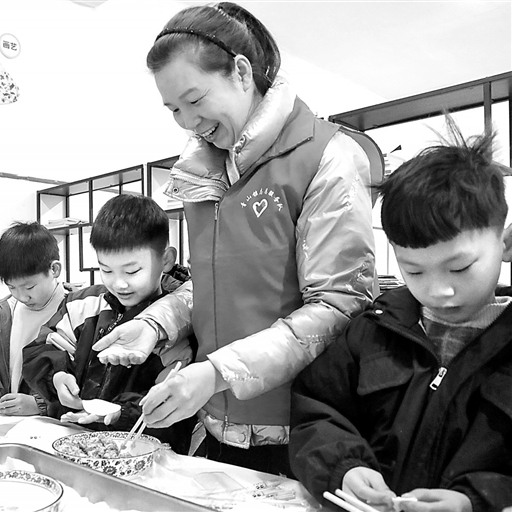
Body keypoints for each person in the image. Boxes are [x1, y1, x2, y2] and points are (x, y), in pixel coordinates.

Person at [92, 1, 378, 476]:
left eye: (195, 100)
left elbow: (338, 305)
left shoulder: (326, 155)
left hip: (303, 431)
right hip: (216, 425)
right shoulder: (202, 172)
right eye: (173, 109)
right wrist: (156, 323)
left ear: (242, 72)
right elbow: (211, 284)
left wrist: (218, 372)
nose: (187, 122)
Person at [289, 123, 512, 511]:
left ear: (505, 244)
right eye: (415, 271)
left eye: (459, 268)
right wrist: (344, 468)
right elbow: (316, 413)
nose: (438, 290)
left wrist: (475, 501)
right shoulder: (373, 331)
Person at [23, 194, 196, 454]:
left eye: (132, 271)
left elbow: (172, 400)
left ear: (166, 260)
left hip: (142, 453)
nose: (119, 284)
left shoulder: (174, 323)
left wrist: (121, 413)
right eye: (106, 270)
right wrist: (56, 376)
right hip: (74, 442)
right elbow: (42, 348)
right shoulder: (83, 304)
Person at [0, 222, 69, 416]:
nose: (21, 296)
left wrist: (41, 404)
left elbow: (87, 378)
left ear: (54, 270)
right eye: (11, 287)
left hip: (59, 425)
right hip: (8, 422)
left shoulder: (76, 312)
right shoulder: (5, 312)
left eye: (29, 287)